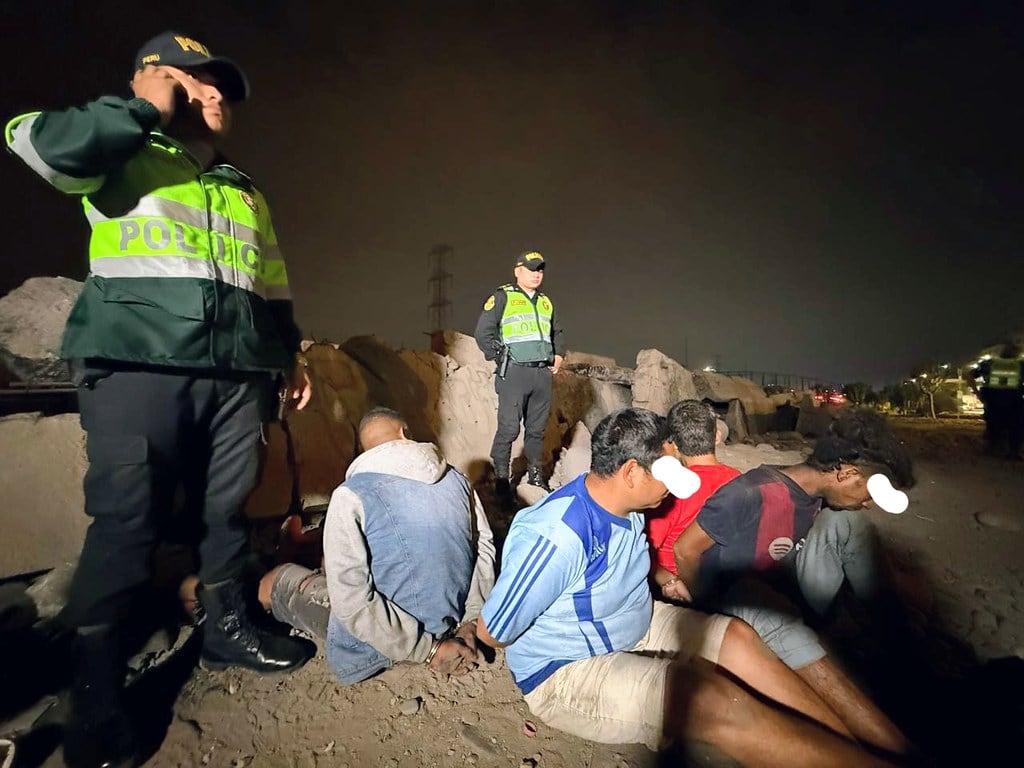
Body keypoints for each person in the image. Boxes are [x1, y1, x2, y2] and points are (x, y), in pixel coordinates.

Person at [6, 31, 315, 768]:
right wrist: (142, 108)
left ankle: (227, 631)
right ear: (157, 78)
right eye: (198, 80)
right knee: (126, 525)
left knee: (225, 512)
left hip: (235, 374)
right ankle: (94, 696)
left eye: (224, 87)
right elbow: (41, 145)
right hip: (138, 363)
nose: (218, 96)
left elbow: (269, 281)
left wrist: (288, 351)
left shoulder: (241, 187)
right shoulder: (120, 145)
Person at [476, 408, 901, 766]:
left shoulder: (628, 504)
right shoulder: (557, 535)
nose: (675, 486)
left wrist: (664, 578)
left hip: (632, 620)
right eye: (668, 474)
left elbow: (628, 559)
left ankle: (849, 746)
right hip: (567, 669)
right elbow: (493, 631)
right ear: (630, 472)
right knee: (712, 699)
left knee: (737, 636)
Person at [672, 409, 915, 753]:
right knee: (758, 598)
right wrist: (707, 612)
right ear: (846, 473)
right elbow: (684, 550)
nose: (869, 503)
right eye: (871, 492)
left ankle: (901, 653)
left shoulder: (813, 494)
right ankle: (898, 751)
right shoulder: (750, 493)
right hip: (747, 605)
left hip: (786, 593)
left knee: (847, 525)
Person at [257, 407, 497, 682]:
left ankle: (250, 633)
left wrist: (429, 650)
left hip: (390, 643)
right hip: (453, 615)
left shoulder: (351, 495)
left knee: (273, 580)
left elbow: (351, 601)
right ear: (404, 434)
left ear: (364, 451)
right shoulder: (458, 479)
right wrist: (471, 618)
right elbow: (483, 548)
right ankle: (299, 548)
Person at [474, 250, 564, 499]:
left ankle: (536, 477)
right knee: (509, 428)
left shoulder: (546, 302)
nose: (537, 274)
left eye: (540, 269)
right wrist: (500, 355)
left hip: (541, 374)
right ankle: (502, 480)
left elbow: (556, 332)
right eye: (531, 269)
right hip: (514, 374)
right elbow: (483, 333)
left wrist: (559, 354)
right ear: (518, 271)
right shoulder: (503, 296)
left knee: (536, 430)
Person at [646, 400, 740, 600]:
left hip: (679, 586)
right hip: (725, 582)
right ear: (717, 436)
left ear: (674, 446)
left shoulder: (669, 490)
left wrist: (669, 581)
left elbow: (645, 552)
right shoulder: (738, 480)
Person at [972, 342, 1024, 459]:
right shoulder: (1021, 364)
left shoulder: (989, 363)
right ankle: (1013, 452)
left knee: (993, 426)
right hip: (1014, 400)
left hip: (992, 400)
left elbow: (970, 375)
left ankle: (992, 449)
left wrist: (977, 392)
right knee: (1016, 427)